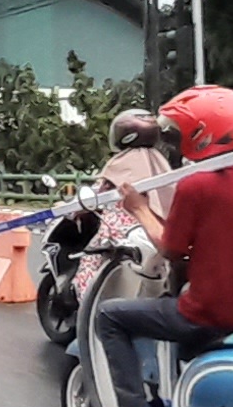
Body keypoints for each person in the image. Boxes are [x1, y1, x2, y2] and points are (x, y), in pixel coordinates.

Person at [94, 86, 233, 407]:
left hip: (206, 315)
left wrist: (139, 208)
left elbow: (170, 248)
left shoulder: (197, 184)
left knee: (110, 316)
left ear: (203, 134)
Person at [73, 109, 177, 301]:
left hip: (120, 232)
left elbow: (96, 194)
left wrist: (71, 208)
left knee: (89, 262)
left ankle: (86, 306)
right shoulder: (161, 162)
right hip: (154, 231)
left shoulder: (120, 163)